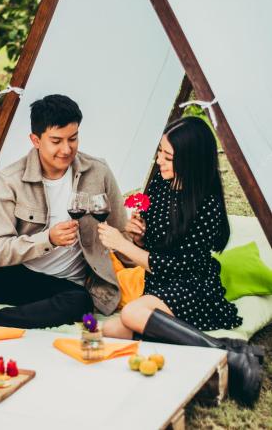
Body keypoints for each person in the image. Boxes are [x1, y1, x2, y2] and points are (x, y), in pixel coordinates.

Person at [98, 116, 263, 406]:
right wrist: (135, 236)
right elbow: (151, 249)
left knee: (132, 314)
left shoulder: (207, 203)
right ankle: (223, 350)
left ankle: (229, 357)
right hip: (159, 286)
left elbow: (180, 266)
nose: (159, 160)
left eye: (168, 156)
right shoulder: (161, 187)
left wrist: (124, 245)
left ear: (190, 160)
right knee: (107, 332)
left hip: (194, 288)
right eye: (160, 151)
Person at [0, 94, 127, 328]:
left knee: (79, 302)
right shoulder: (12, 179)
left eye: (73, 138)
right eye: (56, 141)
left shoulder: (98, 172)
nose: (67, 149)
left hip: (65, 285)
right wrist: (47, 239)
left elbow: (121, 231)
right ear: (36, 140)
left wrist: (134, 242)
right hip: (18, 275)